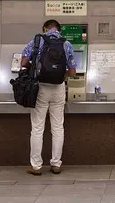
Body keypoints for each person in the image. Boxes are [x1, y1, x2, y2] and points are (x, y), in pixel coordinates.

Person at [21, 20, 76, 175]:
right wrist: (59, 75)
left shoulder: (37, 40)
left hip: (41, 87)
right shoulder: (67, 44)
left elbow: (24, 62)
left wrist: (35, 69)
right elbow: (72, 72)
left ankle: (36, 166)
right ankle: (56, 164)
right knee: (58, 127)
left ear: (45, 28)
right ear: (59, 30)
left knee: (37, 128)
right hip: (58, 88)